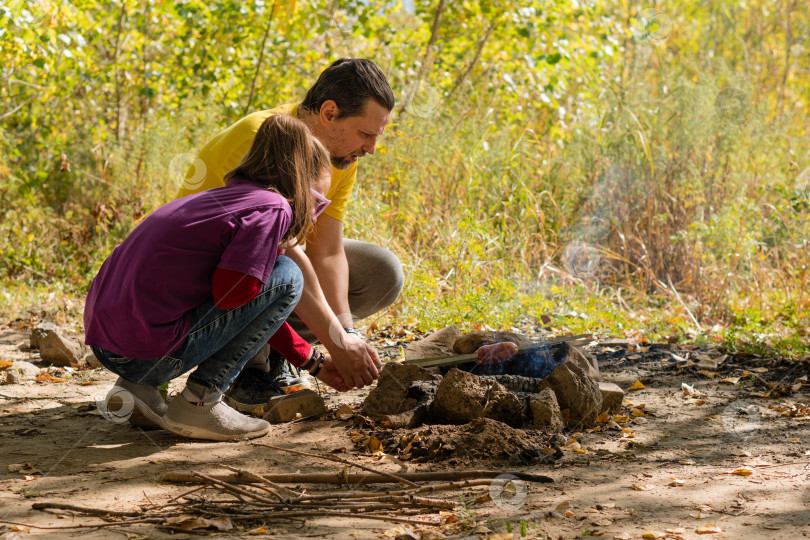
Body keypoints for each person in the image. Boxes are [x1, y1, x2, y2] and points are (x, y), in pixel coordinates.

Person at [84, 114, 346, 440]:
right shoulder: (273, 207)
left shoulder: (227, 198)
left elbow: (246, 306)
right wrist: (270, 258)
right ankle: (200, 402)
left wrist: (312, 361)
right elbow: (234, 299)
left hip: (109, 346)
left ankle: (139, 389)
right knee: (290, 275)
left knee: (277, 279)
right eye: (317, 202)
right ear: (297, 185)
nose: (313, 214)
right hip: (144, 353)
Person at [178, 58, 403, 413]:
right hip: (202, 286)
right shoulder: (265, 136)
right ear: (329, 113)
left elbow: (326, 252)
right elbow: (268, 252)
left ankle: (272, 354)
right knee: (280, 268)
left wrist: (347, 333)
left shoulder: (342, 157)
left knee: (382, 272)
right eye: (366, 134)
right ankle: (250, 371)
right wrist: (334, 344)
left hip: (267, 266)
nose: (371, 148)